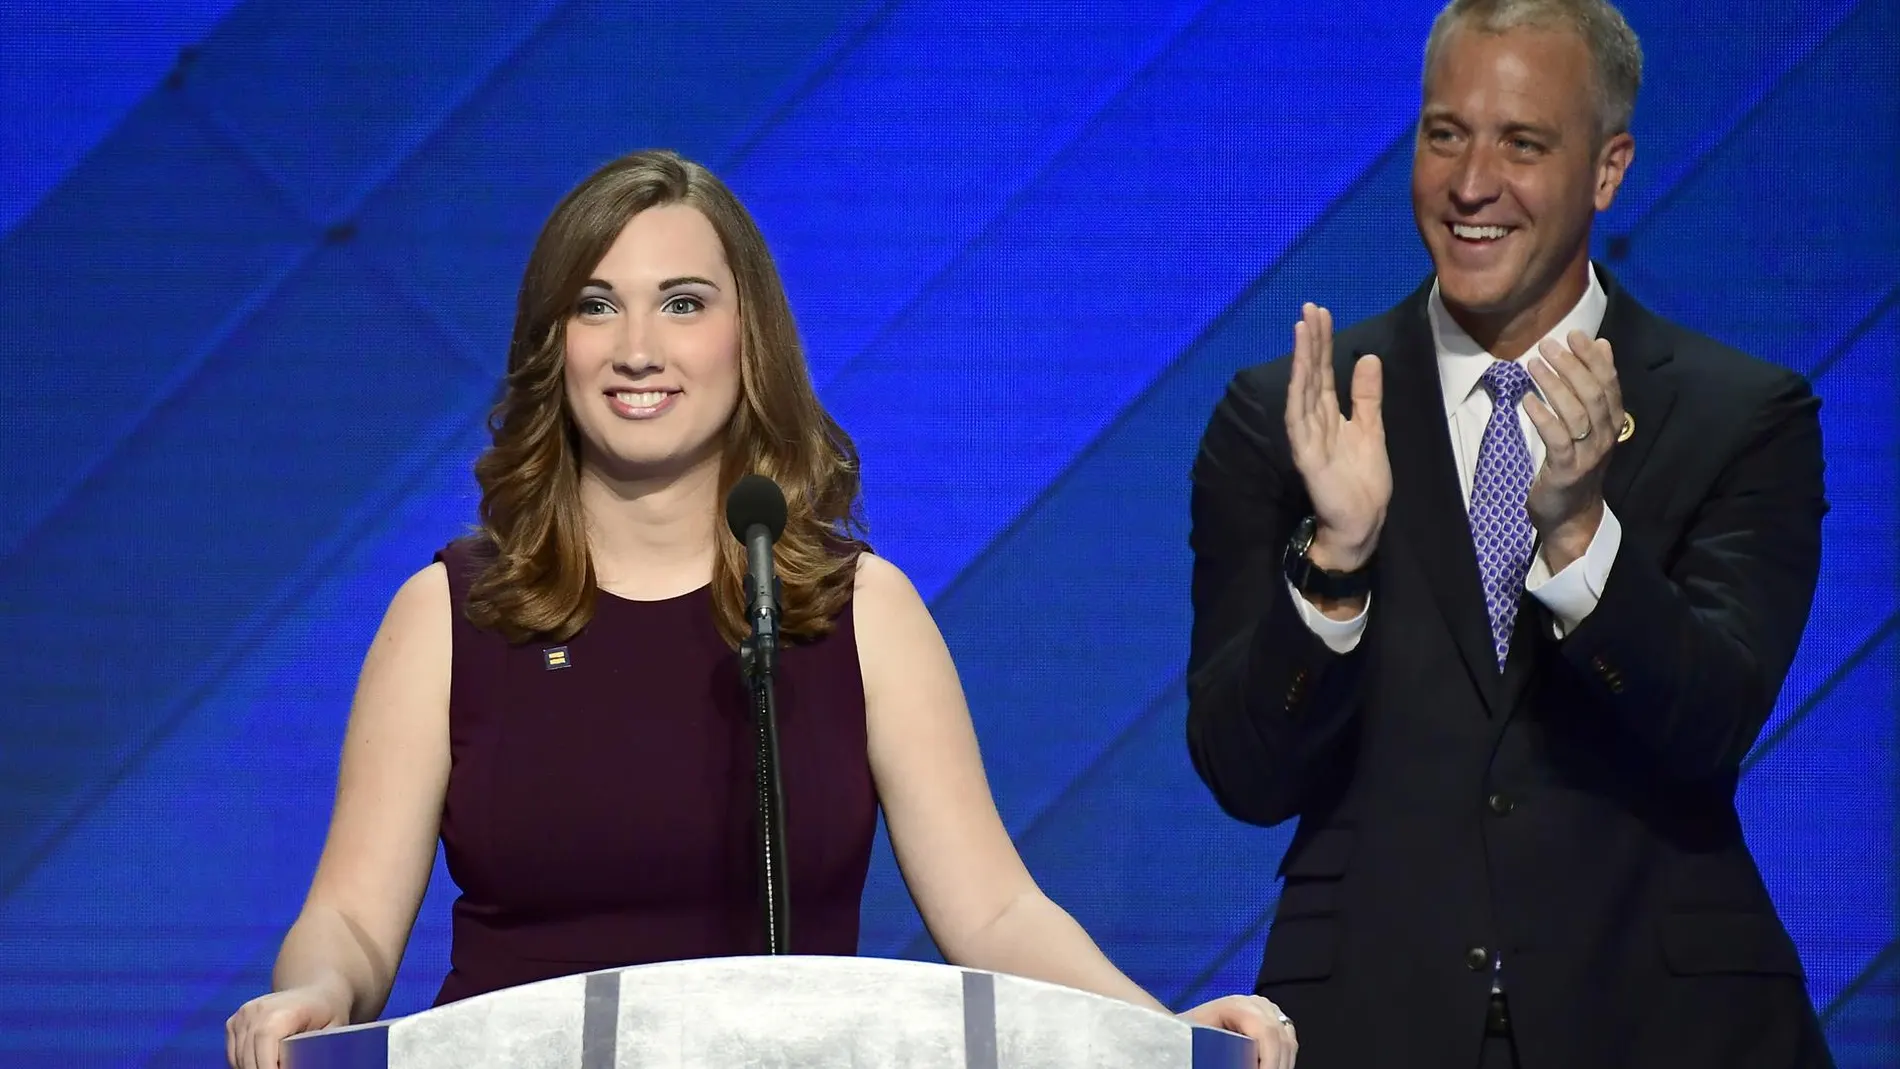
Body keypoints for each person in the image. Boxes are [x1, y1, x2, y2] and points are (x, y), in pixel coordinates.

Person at [225, 148, 1296, 1069]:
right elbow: (354, 917)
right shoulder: (451, 613)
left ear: (749, 339)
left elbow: (994, 911)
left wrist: (1159, 1034)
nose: (637, 345)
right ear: (555, 347)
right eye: (596, 304)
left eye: (682, 302)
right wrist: (315, 990)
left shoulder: (856, 610)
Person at [1185, 2, 1833, 1067]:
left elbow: (1708, 724)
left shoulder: (1739, 415)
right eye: (1445, 134)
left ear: (1607, 168)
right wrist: (1334, 566)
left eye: (1521, 143)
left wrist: (1581, 537)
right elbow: (1245, 773)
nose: (1470, 183)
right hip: (1374, 1016)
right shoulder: (1290, 415)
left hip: (1666, 1022)